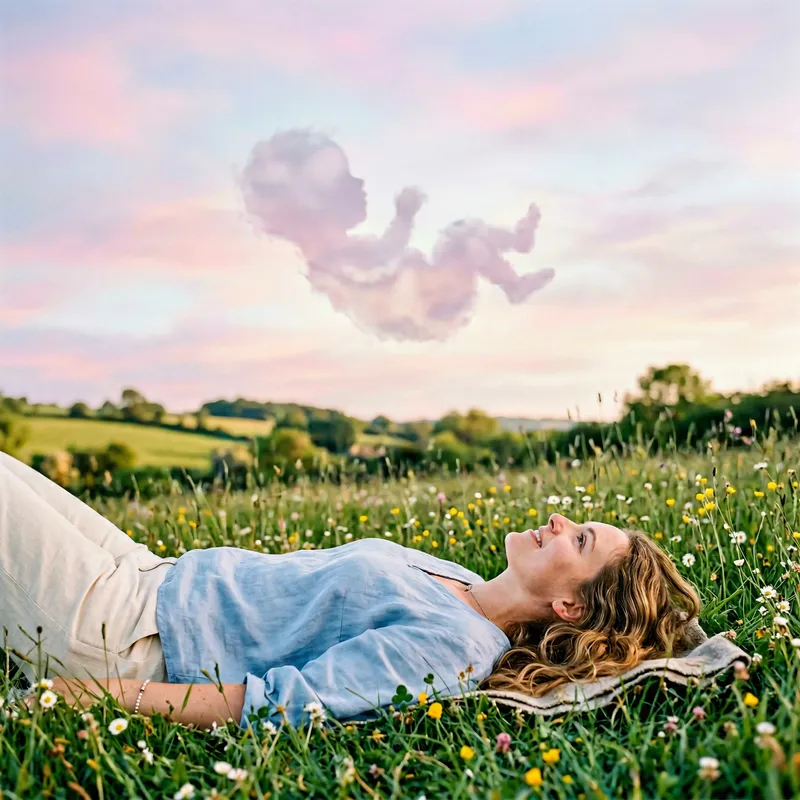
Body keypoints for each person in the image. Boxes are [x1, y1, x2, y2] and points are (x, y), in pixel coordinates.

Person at [0, 451, 701, 731]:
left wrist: (102, 695)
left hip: (120, 632)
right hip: (151, 574)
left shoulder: (454, 646)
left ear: (571, 607)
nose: (559, 520)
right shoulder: (454, 582)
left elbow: (280, 706)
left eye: (580, 540)